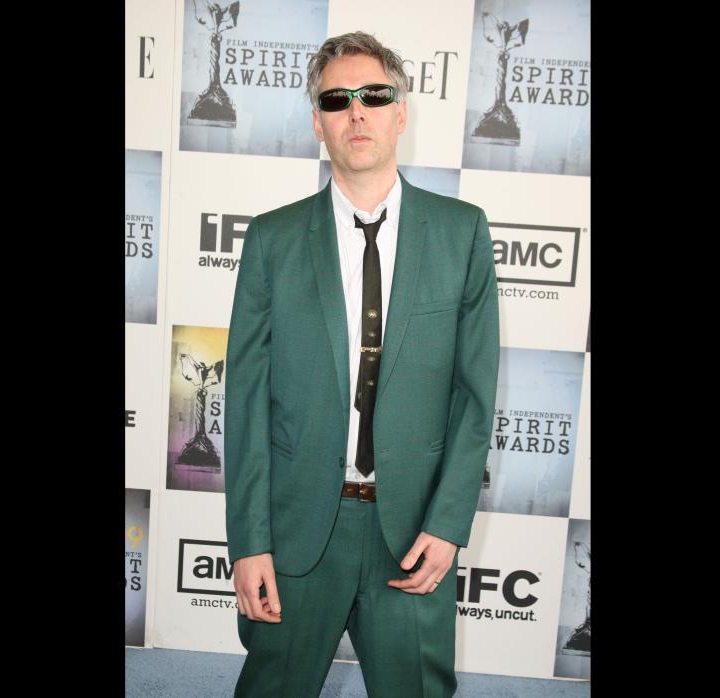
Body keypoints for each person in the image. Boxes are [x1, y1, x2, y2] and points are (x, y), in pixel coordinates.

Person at [224, 30, 499, 698]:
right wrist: (248, 543)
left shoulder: (462, 232)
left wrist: (448, 524)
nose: (357, 111)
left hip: (411, 534)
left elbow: (474, 397)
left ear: (400, 111)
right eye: (337, 99)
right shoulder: (272, 240)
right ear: (318, 122)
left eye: (374, 95)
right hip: (296, 534)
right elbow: (246, 406)